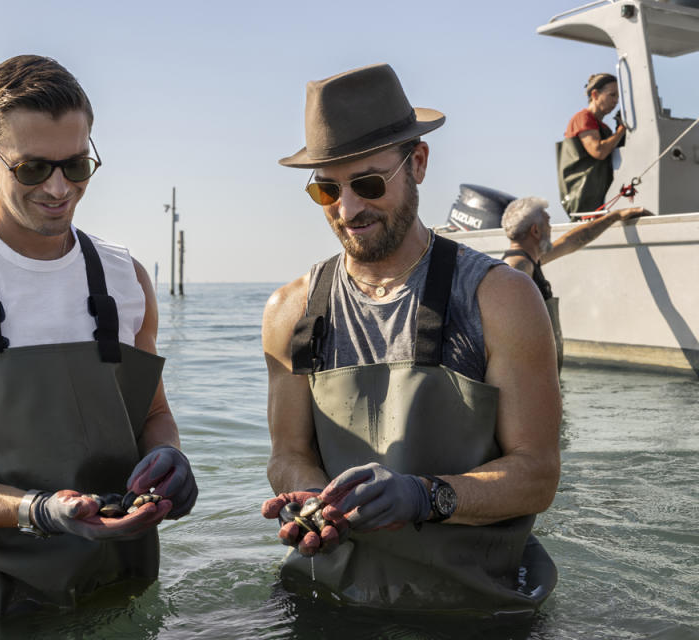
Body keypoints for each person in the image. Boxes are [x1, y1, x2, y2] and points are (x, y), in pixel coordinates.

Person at [0, 54, 197, 615]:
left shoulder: (127, 278)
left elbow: (150, 416)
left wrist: (169, 457)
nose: (58, 188)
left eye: (77, 167)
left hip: (113, 585)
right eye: (31, 169)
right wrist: (36, 510)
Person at [260, 63, 561, 615]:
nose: (347, 210)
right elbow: (288, 454)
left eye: (369, 184)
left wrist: (426, 496)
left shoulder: (502, 299)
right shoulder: (290, 309)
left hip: (475, 608)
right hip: (326, 598)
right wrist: (309, 500)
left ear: (418, 163)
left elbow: (537, 476)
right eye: (327, 189)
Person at [502, 196, 649, 371]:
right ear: (535, 231)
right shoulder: (518, 266)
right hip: (530, 378)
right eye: (548, 223)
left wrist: (615, 216)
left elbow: (572, 241)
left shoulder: (531, 260)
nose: (551, 228)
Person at [558, 73, 627, 214]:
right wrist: (621, 131)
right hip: (584, 199)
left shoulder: (604, 128)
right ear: (595, 94)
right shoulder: (583, 118)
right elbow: (599, 151)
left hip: (599, 197)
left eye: (618, 97)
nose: (615, 101)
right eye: (612, 95)